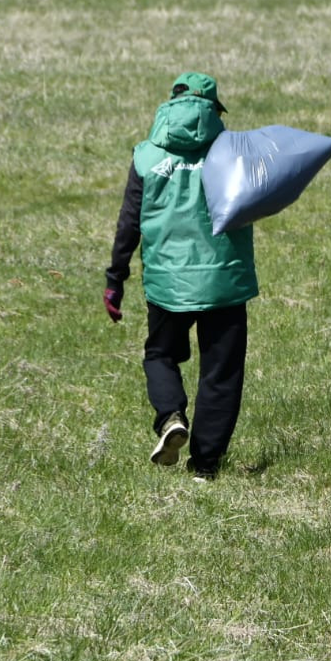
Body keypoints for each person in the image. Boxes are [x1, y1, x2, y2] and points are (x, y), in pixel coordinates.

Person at [103, 72, 258, 480]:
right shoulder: (236, 152)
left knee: (160, 355)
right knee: (221, 372)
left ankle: (171, 416)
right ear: (215, 111)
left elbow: (128, 224)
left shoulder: (146, 157)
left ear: (169, 106)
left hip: (167, 283)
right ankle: (205, 466)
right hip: (224, 283)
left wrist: (115, 279)